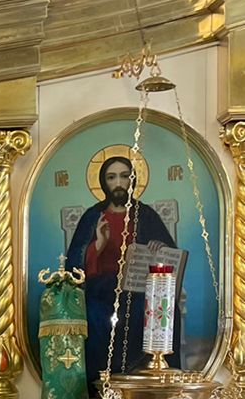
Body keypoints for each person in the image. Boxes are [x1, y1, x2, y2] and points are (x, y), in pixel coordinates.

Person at [65, 153, 177, 386]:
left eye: (124, 176)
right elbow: (74, 265)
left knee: (155, 308)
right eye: (112, 177)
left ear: (132, 180)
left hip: (138, 290)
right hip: (100, 290)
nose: (118, 183)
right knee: (92, 312)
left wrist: (159, 248)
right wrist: (99, 244)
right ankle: (99, 380)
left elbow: (171, 258)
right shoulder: (93, 217)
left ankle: (141, 376)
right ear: (103, 182)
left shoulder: (146, 215)